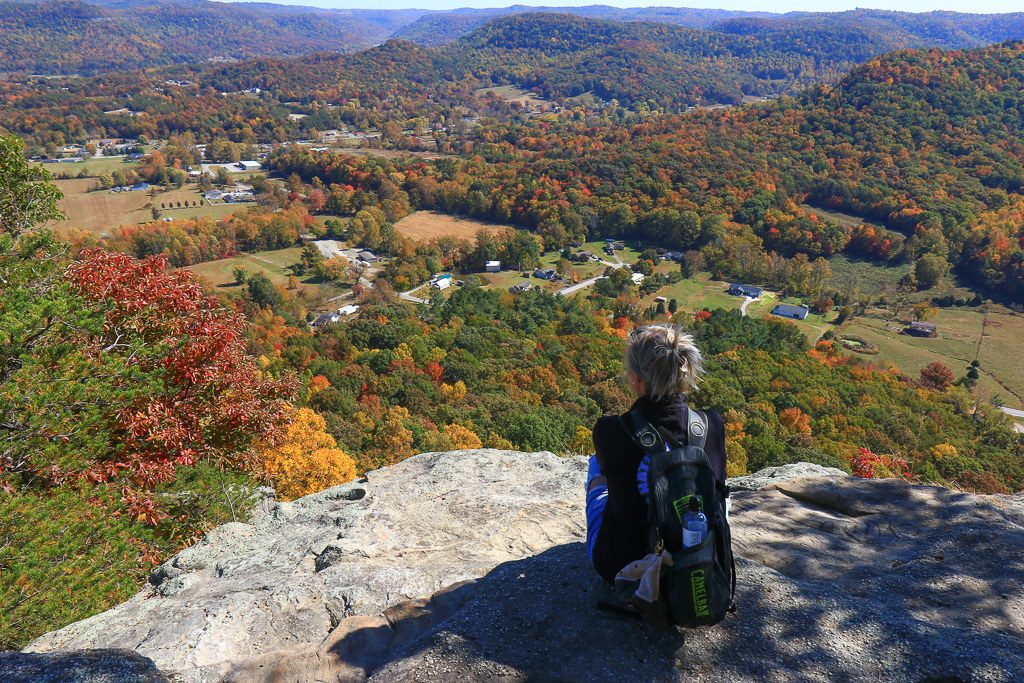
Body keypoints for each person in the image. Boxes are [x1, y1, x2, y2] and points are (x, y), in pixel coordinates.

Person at [586, 323, 727, 586]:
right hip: (700, 573)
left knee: (596, 465)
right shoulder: (713, 425)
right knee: (716, 490)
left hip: (624, 568)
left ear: (635, 379)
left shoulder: (610, 431)